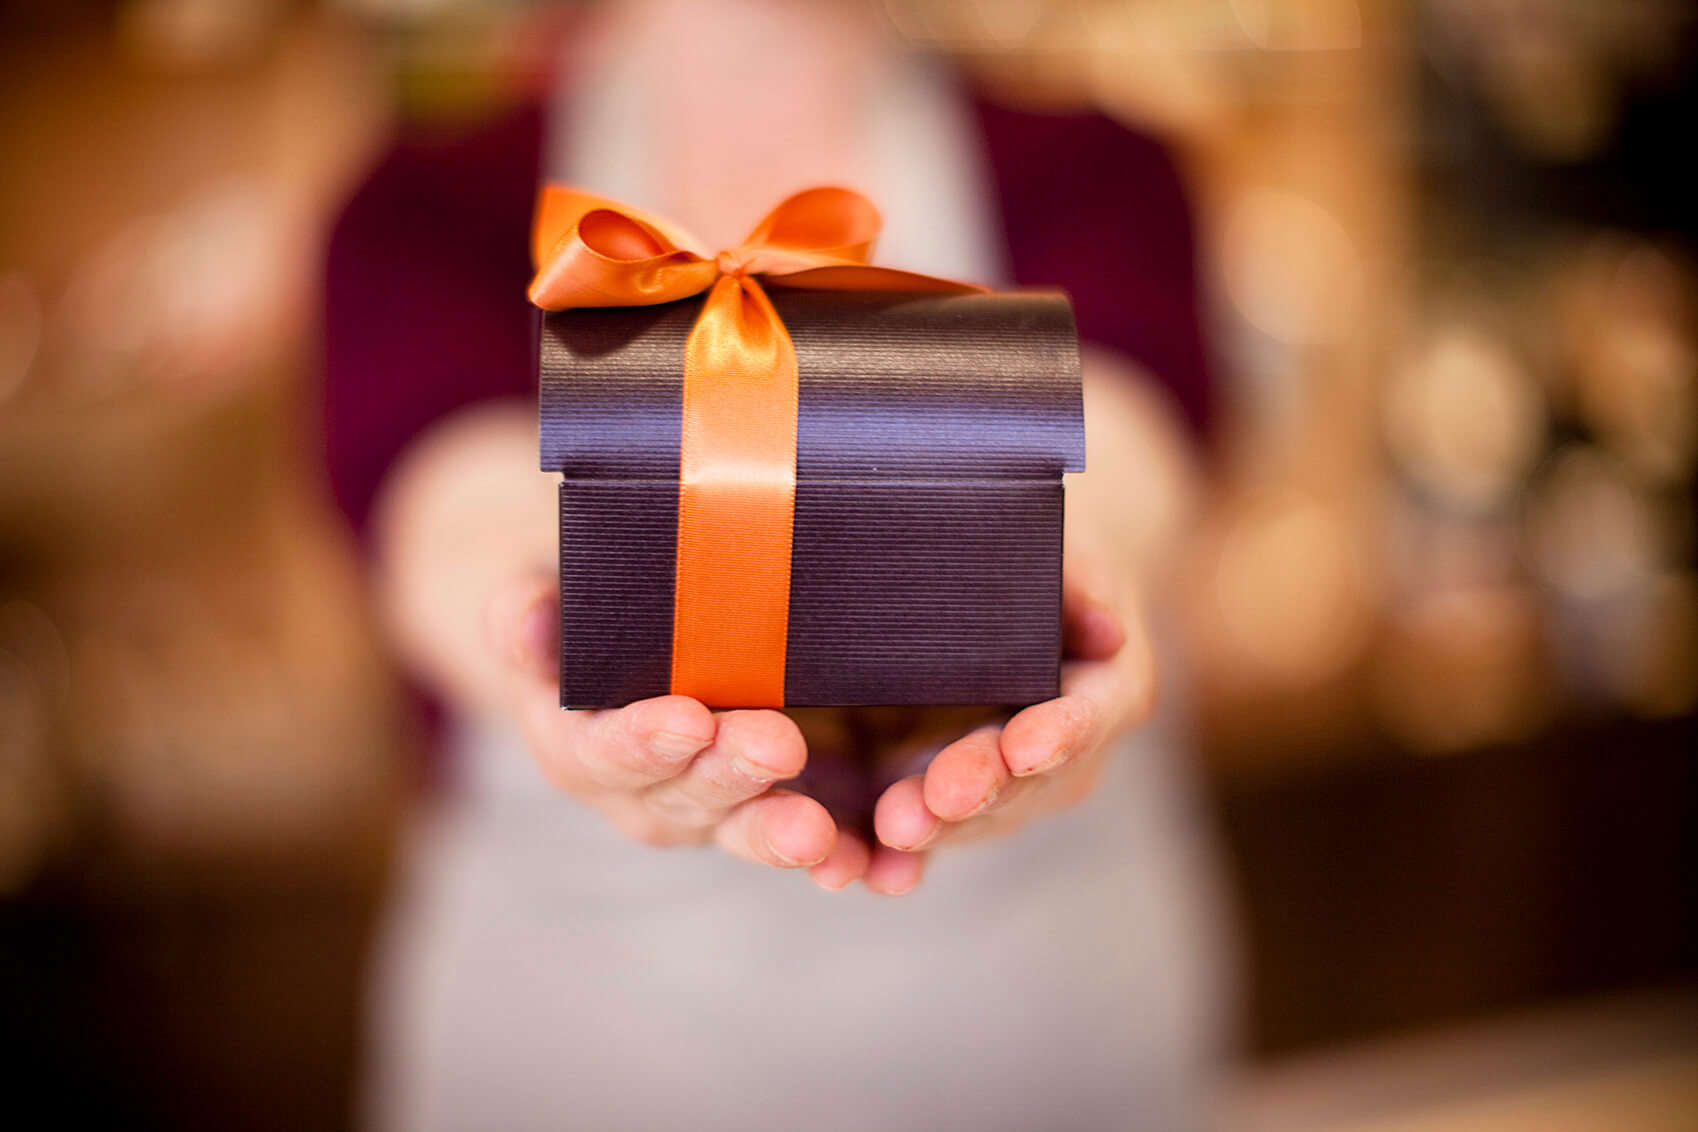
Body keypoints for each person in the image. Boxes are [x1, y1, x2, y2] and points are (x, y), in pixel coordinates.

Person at [323, 1, 1232, 1127]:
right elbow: (453, 509)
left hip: (1038, 1038)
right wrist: (532, 623)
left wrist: (1076, 575)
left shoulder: (1095, 163)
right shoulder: (428, 205)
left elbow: (1121, 449)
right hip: (577, 1055)